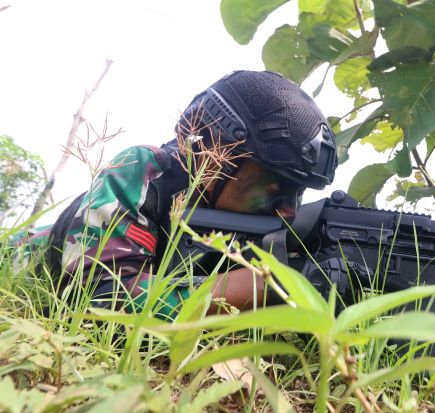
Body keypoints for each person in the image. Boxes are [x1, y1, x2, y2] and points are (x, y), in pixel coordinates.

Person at [14, 70, 337, 319]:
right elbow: (98, 296)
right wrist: (269, 284)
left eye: (298, 193)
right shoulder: (146, 170)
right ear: (211, 150)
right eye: (274, 186)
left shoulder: (257, 226)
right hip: (20, 257)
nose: (289, 211)